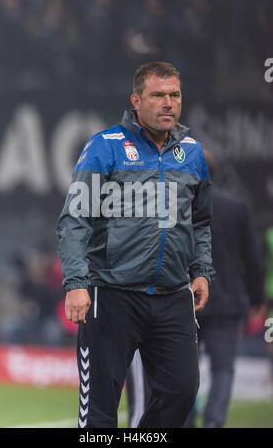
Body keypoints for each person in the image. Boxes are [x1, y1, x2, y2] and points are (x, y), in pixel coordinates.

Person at [56, 61, 215, 428]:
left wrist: (202, 271)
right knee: (100, 409)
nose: (168, 103)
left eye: (174, 95)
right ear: (136, 100)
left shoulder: (192, 153)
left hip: (173, 295)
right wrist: (77, 282)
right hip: (111, 293)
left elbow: (202, 222)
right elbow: (74, 219)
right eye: (158, 95)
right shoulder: (104, 147)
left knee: (182, 391)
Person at [126, 149, 264, 428]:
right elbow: (252, 258)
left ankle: (186, 422)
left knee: (182, 370)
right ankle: (214, 422)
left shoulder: (176, 205)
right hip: (226, 303)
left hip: (183, 298)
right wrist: (257, 297)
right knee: (223, 367)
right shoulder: (236, 206)